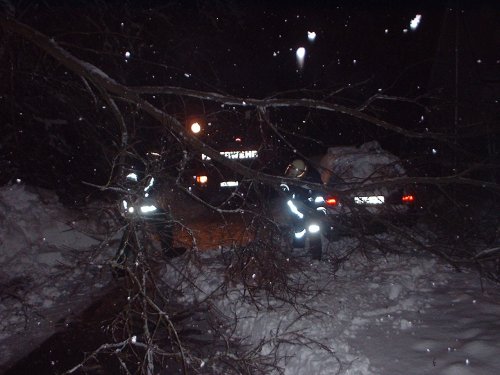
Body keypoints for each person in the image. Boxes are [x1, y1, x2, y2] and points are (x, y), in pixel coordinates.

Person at [280, 159, 325, 260]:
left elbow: (319, 196)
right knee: (298, 231)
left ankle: (316, 255)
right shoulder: (289, 176)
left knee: (314, 230)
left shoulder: (313, 179)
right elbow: (283, 184)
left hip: (312, 209)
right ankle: (298, 249)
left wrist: (320, 209)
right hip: (296, 209)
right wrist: (284, 188)